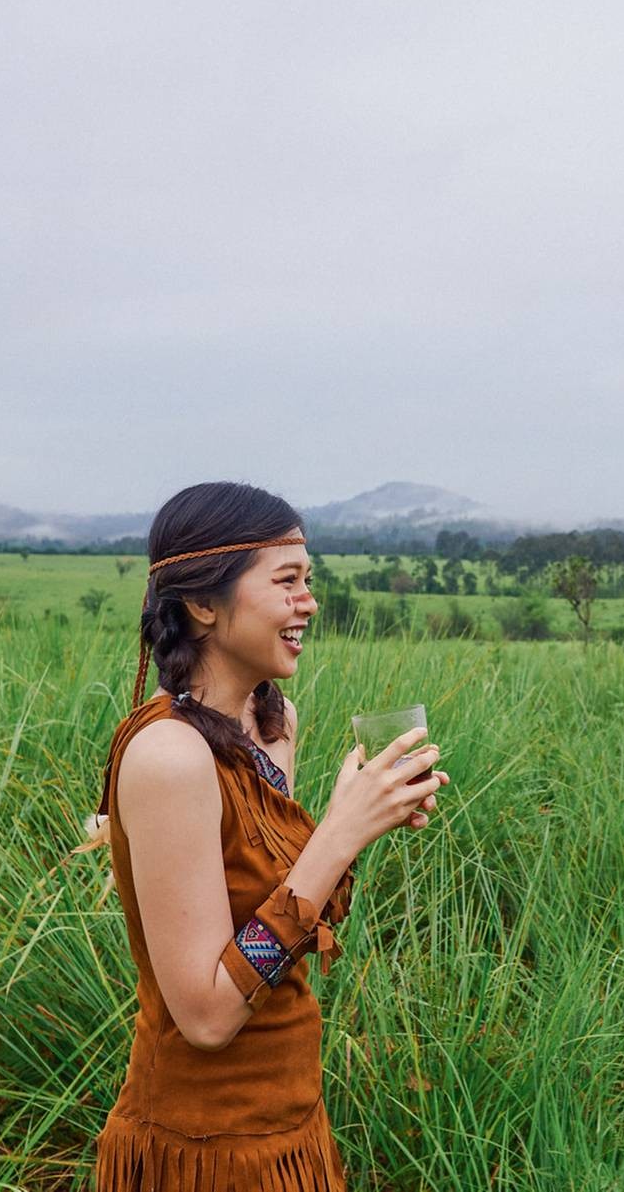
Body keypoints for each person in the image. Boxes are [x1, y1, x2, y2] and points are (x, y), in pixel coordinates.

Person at [79, 482, 447, 1190]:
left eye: (309, 579)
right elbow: (208, 1014)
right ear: (204, 603)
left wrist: (365, 817)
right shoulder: (169, 756)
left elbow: (275, 907)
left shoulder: (274, 724)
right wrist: (338, 835)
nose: (308, 601)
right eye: (286, 581)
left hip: (290, 1126)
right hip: (200, 1148)